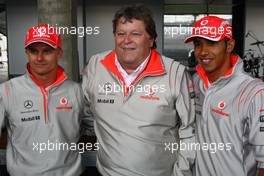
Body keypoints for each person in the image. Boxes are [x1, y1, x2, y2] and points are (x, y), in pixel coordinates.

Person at [82, 5, 195, 176]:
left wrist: (181, 173)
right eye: (121, 34)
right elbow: (86, 113)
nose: (126, 40)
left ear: (151, 40)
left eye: (135, 34)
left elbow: (190, 132)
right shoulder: (96, 66)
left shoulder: (175, 73)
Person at [184, 16, 264, 176]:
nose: (203, 51)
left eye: (212, 43)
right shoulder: (196, 81)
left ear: (229, 45)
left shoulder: (254, 92)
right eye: (198, 44)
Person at [0, 24, 83, 175]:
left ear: (59, 53)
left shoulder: (76, 91)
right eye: (33, 51)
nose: (39, 58)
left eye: (47, 51)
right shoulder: (7, 90)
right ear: (27, 53)